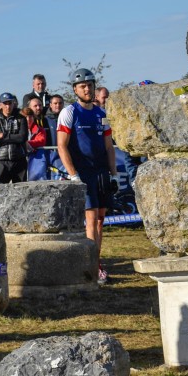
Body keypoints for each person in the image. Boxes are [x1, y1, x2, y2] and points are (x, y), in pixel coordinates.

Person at [57, 68, 119, 286]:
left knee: (101, 220)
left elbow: (109, 146)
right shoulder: (69, 112)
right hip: (83, 173)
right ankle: (91, 267)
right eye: (83, 86)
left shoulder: (102, 114)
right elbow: (62, 146)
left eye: (90, 85)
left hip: (101, 172)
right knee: (91, 220)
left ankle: (97, 262)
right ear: (75, 89)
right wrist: (73, 175)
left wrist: (114, 174)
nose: (87, 89)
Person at [0, 93, 28, 185]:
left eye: (10, 103)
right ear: (0, 104)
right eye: (5, 103)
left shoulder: (21, 119)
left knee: (21, 190)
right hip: (1, 160)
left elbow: (22, 138)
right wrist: (13, 137)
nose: (8, 106)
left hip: (19, 159)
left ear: (13, 103)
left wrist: (3, 136)